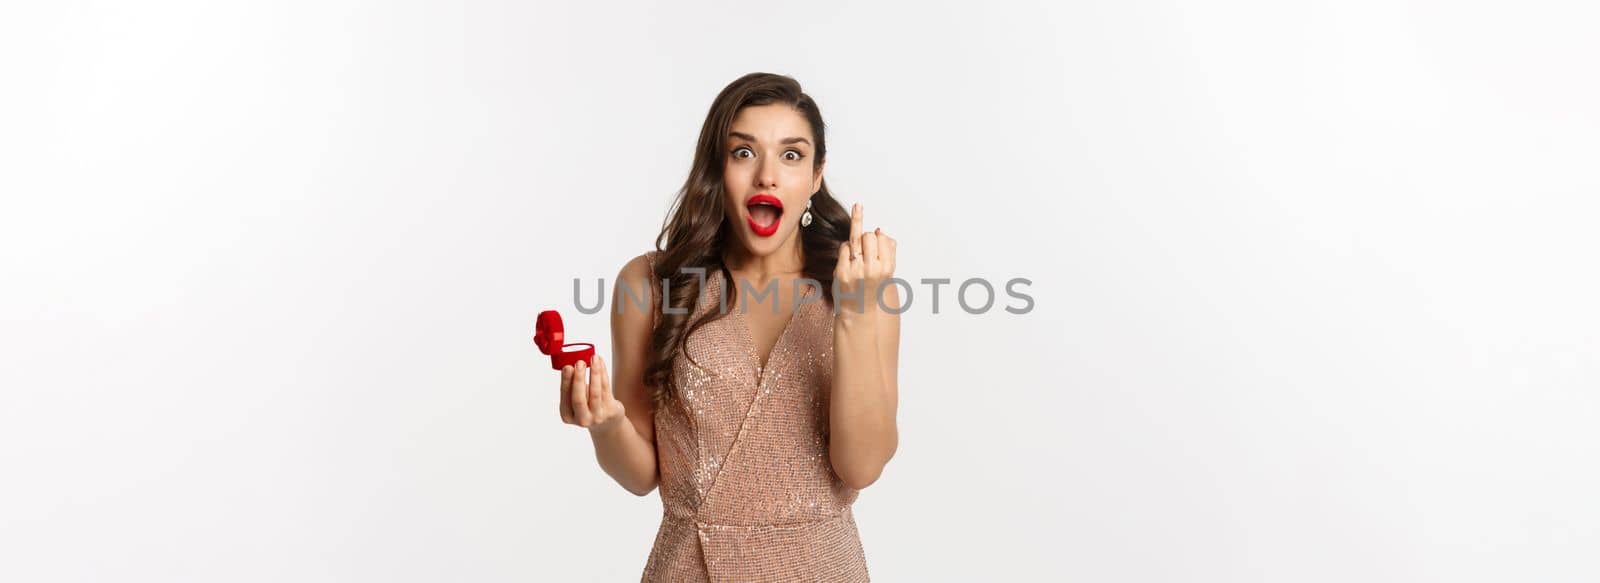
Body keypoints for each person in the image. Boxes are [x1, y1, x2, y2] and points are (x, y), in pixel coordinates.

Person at [553, 72, 901, 581]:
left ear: (816, 174)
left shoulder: (865, 287)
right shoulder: (650, 284)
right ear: (718, 167)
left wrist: (855, 311)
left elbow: (862, 467)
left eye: (791, 155)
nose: (767, 177)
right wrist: (605, 424)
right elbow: (641, 475)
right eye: (743, 153)